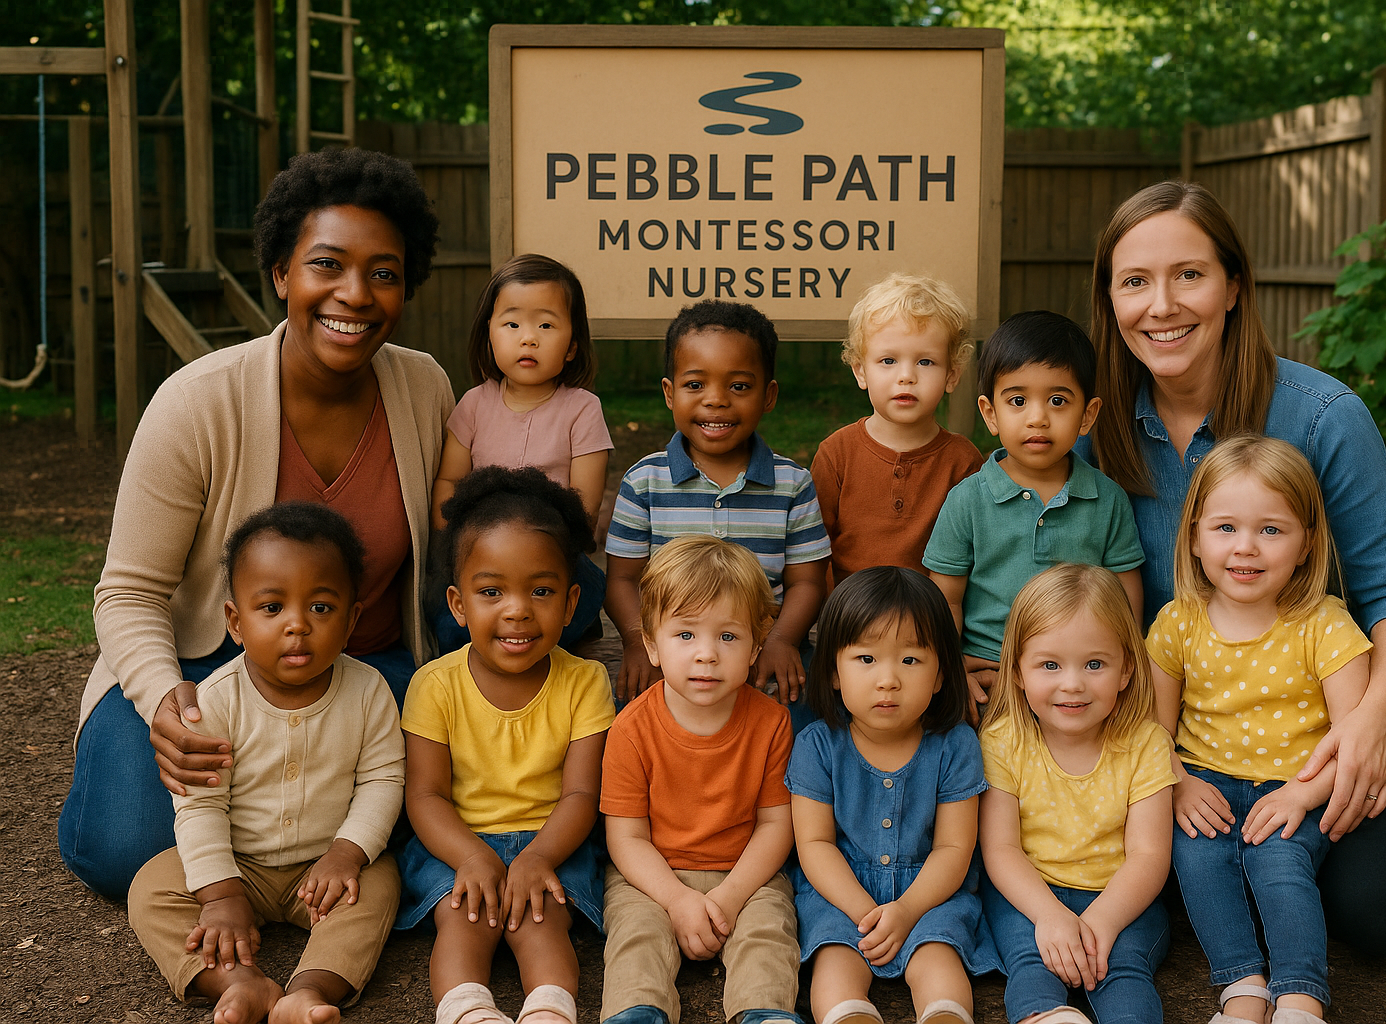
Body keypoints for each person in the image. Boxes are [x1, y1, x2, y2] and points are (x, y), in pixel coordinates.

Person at [1084, 179, 1386, 954]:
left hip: (1334, 703)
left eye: (1189, 274)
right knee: (1176, 880)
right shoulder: (1095, 429)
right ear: (1110, 300)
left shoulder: (1321, 416)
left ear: (1233, 287)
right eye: (1135, 282)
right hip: (1188, 714)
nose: (1162, 305)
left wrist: (1373, 723)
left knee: (1379, 910)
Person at [60, 146, 454, 901]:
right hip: (206, 670)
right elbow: (128, 592)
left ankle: (293, 838)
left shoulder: (425, 388)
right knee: (126, 849)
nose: (355, 294)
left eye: (383, 273)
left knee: (461, 809)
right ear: (281, 274)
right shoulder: (197, 402)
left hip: (367, 672)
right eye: (327, 265)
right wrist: (163, 698)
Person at [127, 502, 405, 1024]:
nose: (297, 625)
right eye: (272, 607)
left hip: (323, 868)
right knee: (150, 889)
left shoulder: (370, 692)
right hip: (240, 864)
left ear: (352, 620)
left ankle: (310, 988)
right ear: (236, 622)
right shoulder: (214, 702)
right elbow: (200, 803)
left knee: (379, 883)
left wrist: (347, 853)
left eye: (320, 607)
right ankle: (238, 982)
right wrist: (220, 894)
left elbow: (383, 779)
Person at [1145, 435, 1371, 1024]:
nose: (1245, 547)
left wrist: (1301, 794)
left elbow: (1355, 738)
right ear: (1194, 537)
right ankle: (1242, 985)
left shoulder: (1324, 624)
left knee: (1277, 863)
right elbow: (1152, 730)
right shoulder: (1177, 623)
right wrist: (1178, 783)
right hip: (1204, 781)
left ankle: (1299, 995)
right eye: (1225, 528)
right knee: (1196, 858)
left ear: (1306, 543)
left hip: (1298, 784)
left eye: (1271, 530)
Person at [395, 467, 614, 1024]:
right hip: (457, 842)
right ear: (458, 604)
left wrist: (538, 856)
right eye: (491, 592)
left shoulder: (584, 682)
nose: (517, 610)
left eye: (541, 591)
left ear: (571, 603)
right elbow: (425, 795)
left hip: (553, 841)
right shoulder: (435, 685)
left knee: (541, 918)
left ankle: (550, 1010)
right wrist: (472, 857)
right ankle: (467, 1011)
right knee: (464, 917)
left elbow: (581, 794)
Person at [599, 535, 803, 1024]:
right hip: (653, 874)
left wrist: (731, 896)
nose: (707, 654)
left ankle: (764, 1011)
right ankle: (636, 1010)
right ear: (651, 644)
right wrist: (675, 899)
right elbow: (626, 838)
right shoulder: (631, 728)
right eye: (686, 635)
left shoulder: (772, 722)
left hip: (745, 872)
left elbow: (776, 825)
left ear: (756, 646)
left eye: (728, 637)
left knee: (768, 929)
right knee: (635, 930)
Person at [789, 566, 999, 1024]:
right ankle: (849, 1015)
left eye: (910, 660)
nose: (888, 680)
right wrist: (865, 912)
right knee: (835, 959)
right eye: (866, 659)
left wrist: (907, 910)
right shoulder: (817, 746)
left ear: (941, 675)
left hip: (931, 892)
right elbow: (815, 843)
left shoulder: (955, 745)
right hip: (841, 892)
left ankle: (945, 1016)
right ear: (834, 672)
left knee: (938, 956)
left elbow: (953, 848)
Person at [604, 300, 831, 722]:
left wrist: (781, 641)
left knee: (805, 716)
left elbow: (807, 582)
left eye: (739, 387)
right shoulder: (645, 481)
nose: (716, 401)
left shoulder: (792, 484)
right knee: (631, 720)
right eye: (695, 385)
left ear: (769, 395)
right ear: (669, 393)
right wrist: (639, 642)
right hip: (674, 655)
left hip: (763, 650)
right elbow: (622, 578)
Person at [978, 563, 1174, 1024]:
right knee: (1032, 961)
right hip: (1029, 894)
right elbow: (1001, 848)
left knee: (1123, 968)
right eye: (1050, 665)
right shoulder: (1003, 741)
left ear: (1126, 669)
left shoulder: (1146, 743)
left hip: (1122, 897)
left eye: (1094, 664)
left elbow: (1148, 855)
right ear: (1018, 671)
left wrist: (1104, 919)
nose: (1072, 683)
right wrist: (1048, 914)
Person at [924, 310, 1144, 706]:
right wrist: (951, 670)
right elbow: (946, 601)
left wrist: (1126, 667)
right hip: (991, 679)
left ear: (1087, 415)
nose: (1038, 418)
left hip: (1077, 683)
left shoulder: (1108, 499)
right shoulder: (967, 500)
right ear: (990, 413)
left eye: (1058, 401)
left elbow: (1125, 598)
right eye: (1018, 401)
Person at [430, 253, 612, 652]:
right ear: (489, 336)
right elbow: (448, 480)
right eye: (512, 324)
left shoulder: (582, 409)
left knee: (584, 592)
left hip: (552, 555)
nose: (528, 338)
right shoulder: (474, 405)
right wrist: (452, 544)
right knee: (448, 623)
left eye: (546, 325)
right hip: (483, 555)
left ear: (571, 347)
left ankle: (561, 633)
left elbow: (585, 505)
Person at [811, 273, 984, 588]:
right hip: (850, 610)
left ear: (952, 375)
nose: (906, 376)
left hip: (928, 610)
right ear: (861, 371)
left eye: (926, 362)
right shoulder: (837, 453)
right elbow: (814, 551)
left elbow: (972, 556)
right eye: (888, 360)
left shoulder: (962, 461)